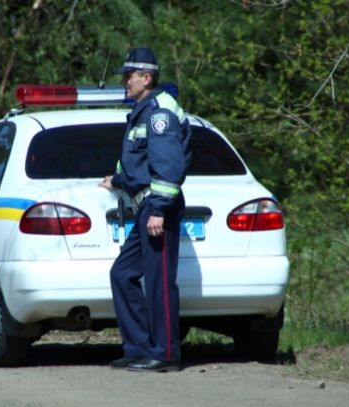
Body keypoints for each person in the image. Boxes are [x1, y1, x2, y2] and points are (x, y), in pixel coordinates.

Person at [99, 47, 192, 372]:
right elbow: (142, 162)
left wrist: (159, 209)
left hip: (156, 209)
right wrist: (120, 181)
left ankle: (166, 354)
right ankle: (139, 349)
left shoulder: (159, 112)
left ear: (147, 78)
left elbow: (167, 165)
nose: (125, 81)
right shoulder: (142, 111)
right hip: (145, 207)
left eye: (129, 75)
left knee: (158, 283)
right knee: (122, 274)